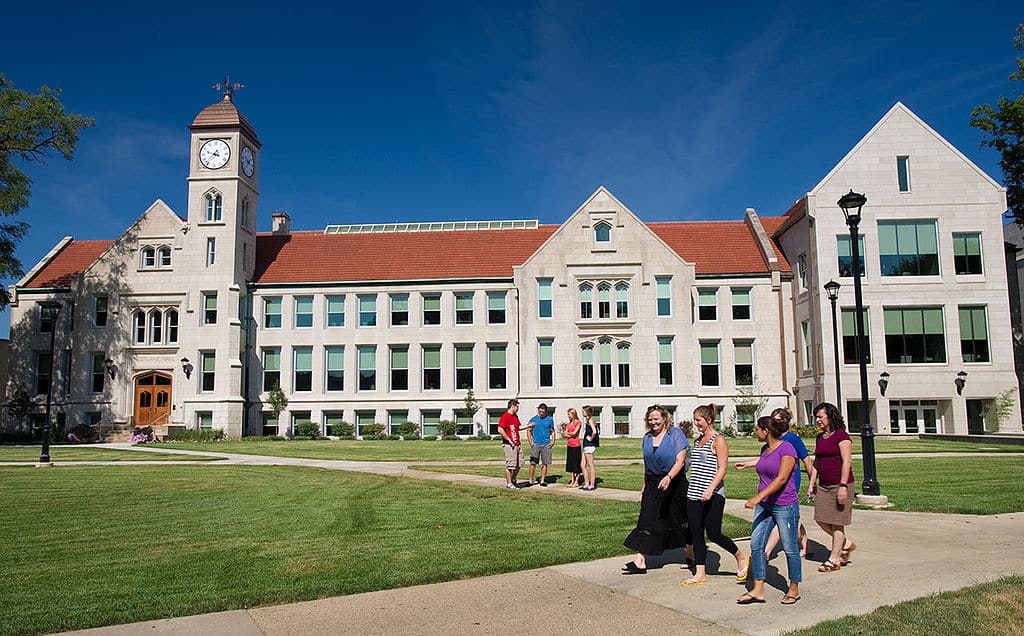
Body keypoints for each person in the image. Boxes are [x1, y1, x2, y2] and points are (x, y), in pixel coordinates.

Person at [737, 416, 802, 605]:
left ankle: (793, 588)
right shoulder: (765, 449)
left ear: (766, 431)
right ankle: (758, 589)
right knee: (756, 545)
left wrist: (757, 497)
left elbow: (781, 478)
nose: (755, 431)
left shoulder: (787, 449)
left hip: (784, 505)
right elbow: (765, 462)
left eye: (757, 428)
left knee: (790, 548)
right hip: (765, 506)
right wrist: (748, 464)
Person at [682, 404, 748, 586]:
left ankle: (740, 557)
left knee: (714, 533)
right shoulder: (698, 441)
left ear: (708, 420)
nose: (696, 424)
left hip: (713, 493)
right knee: (696, 532)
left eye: (698, 420)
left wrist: (710, 489)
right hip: (694, 493)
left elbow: (722, 468)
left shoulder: (718, 440)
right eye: (695, 420)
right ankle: (700, 573)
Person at [622, 405, 690, 574]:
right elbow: (647, 464)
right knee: (647, 518)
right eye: (650, 419)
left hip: (674, 482)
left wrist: (668, 477)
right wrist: (644, 485)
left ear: (664, 418)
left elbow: (680, 461)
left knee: (680, 519)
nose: (653, 422)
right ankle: (641, 560)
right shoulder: (647, 437)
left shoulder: (675, 434)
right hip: (653, 484)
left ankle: (691, 554)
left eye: (656, 419)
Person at [735, 408, 811, 557]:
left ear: (784, 421)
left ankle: (767, 551)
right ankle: (806, 544)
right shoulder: (768, 444)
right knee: (792, 518)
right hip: (771, 483)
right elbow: (766, 460)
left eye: (776, 420)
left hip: (789, 483)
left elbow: (806, 460)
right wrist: (748, 464)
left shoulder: (791, 440)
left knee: (782, 516)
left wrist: (811, 482)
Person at [807, 402, 856, 572]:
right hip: (824, 485)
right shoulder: (820, 437)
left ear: (830, 416)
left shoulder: (842, 436)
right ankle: (845, 543)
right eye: (816, 417)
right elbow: (817, 462)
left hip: (840, 484)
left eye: (820, 417)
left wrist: (843, 486)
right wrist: (812, 483)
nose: (818, 420)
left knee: (837, 523)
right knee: (820, 518)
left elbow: (846, 462)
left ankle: (834, 560)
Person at [527, 403, 557, 486]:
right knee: (533, 463)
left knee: (545, 463)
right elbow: (529, 431)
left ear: (546, 412)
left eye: (543, 412)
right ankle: (530, 480)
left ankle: (542, 481)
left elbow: (552, 431)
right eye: (540, 411)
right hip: (536, 444)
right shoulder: (533, 419)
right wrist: (530, 442)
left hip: (546, 444)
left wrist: (553, 441)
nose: (541, 413)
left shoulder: (550, 420)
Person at [498, 399, 524, 490]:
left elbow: (518, 427)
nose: (518, 409)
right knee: (510, 465)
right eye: (517, 407)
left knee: (519, 464)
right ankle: (509, 484)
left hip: (517, 443)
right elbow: (500, 429)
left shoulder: (515, 416)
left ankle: (513, 479)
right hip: (509, 445)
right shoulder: (505, 416)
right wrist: (509, 440)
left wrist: (529, 426)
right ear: (512, 406)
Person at [580, 404, 600, 491]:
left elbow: (595, 431)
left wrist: (590, 438)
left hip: (589, 445)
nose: (582, 412)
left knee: (591, 465)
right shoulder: (589, 421)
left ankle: (592, 485)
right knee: (582, 465)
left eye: (583, 411)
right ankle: (586, 483)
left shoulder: (591, 420)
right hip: (586, 445)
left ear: (587, 412)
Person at [564, 407, 583, 487]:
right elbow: (565, 434)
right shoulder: (568, 424)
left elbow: (575, 433)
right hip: (569, 445)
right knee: (570, 464)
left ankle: (577, 481)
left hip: (576, 445)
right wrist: (568, 434)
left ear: (573, 414)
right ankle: (572, 480)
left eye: (569, 414)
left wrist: (569, 434)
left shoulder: (578, 422)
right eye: (568, 414)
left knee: (576, 463)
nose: (568, 416)